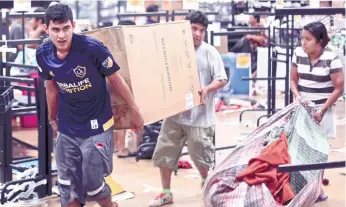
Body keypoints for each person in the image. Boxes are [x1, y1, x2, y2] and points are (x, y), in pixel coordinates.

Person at [36, 3, 144, 207]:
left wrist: (134, 110)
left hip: (97, 124)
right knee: (67, 188)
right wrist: (53, 119)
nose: (61, 35)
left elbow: (116, 80)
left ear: (73, 25)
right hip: (68, 126)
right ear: (46, 28)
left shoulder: (92, 48)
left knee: (94, 186)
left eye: (66, 28)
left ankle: (111, 205)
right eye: (55, 29)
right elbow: (51, 88)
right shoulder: (43, 54)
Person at [149, 11, 228, 207]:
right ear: (186, 28)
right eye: (194, 28)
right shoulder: (174, 50)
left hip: (200, 119)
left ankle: (206, 185)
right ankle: (166, 193)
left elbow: (222, 79)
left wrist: (208, 89)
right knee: (164, 154)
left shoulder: (210, 52)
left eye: (202, 30)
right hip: (175, 116)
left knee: (202, 159)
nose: (198, 34)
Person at [290, 21, 344, 203]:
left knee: (319, 150)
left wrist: (322, 109)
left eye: (308, 39)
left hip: (324, 109)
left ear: (320, 41)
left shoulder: (331, 58)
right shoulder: (298, 53)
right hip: (302, 108)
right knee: (299, 147)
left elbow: (339, 88)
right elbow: (293, 80)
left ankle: (317, 189)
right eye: (302, 38)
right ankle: (301, 186)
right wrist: (297, 96)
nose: (303, 43)